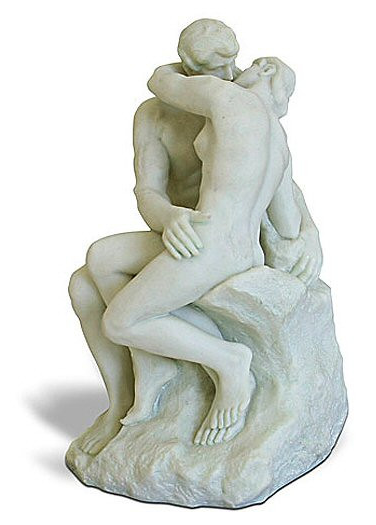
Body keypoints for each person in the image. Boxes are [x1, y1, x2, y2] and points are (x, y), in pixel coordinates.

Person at [69, 19, 322, 454]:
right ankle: (142, 379)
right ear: (189, 64)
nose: (227, 74)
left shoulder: (229, 101)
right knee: (95, 264)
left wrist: (309, 234)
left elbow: (159, 80)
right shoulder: (246, 120)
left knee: (120, 320)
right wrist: (168, 216)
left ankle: (226, 361)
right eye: (212, 67)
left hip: (214, 246)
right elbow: (284, 213)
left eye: (235, 63)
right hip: (197, 234)